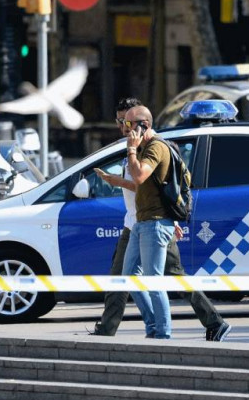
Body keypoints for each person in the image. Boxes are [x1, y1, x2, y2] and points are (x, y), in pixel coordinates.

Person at [91, 99, 230, 341]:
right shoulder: (140, 146)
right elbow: (142, 185)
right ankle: (150, 328)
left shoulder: (153, 147)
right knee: (126, 278)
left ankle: (166, 332)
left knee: (160, 279)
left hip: (154, 223)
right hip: (137, 223)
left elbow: (141, 176)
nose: (122, 128)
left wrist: (131, 150)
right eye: (120, 122)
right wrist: (115, 181)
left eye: (126, 122)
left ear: (142, 125)